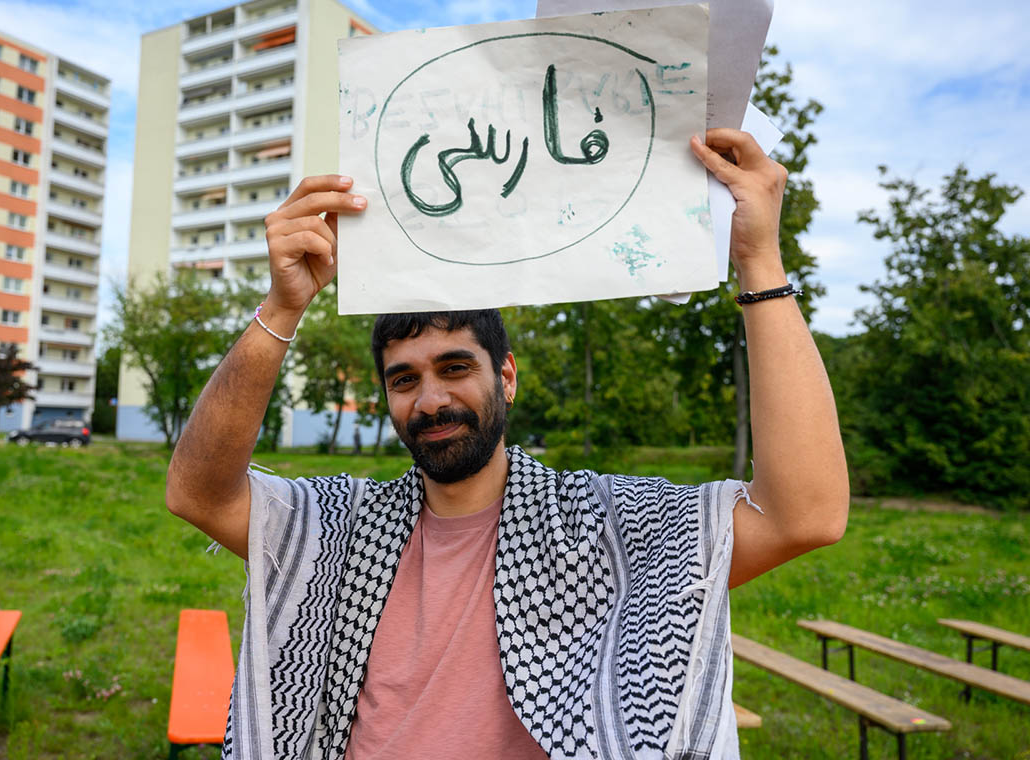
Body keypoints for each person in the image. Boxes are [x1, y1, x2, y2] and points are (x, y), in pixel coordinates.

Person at [166, 129, 849, 760]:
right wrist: (283, 306)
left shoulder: (606, 526)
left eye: (455, 367)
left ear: (508, 376)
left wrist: (758, 260)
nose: (430, 399)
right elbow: (197, 494)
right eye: (404, 379)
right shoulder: (342, 530)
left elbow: (805, 515)